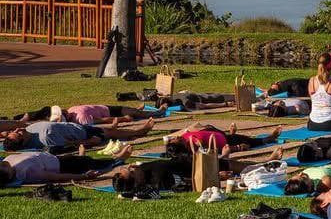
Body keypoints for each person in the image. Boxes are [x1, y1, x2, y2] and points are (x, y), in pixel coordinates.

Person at [1, 119, 155, 153]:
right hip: (82, 133)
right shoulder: (45, 137)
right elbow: (68, 145)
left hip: (75, 127)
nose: (18, 129)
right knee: (109, 133)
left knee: (107, 130)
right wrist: (88, 141)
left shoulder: (28, 129)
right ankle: (138, 132)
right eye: (18, 133)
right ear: (23, 141)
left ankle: (132, 132)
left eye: (15, 131)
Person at [0, 147, 133, 187]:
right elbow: (56, 177)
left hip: (56, 159)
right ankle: (118, 159)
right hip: (63, 166)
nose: (3, 164)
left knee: (83, 159)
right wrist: (83, 176)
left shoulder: (7, 160)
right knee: (91, 163)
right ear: (9, 174)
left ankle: (82, 155)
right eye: (3, 167)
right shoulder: (27, 172)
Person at [163, 122, 282, 158]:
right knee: (247, 141)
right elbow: (209, 151)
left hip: (217, 133)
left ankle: (231, 134)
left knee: (236, 137)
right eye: (175, 140)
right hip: (224, 142)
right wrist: (236, 148)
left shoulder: (183, 137)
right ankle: (268, 139)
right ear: (180, 145)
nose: (176, 137)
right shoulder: (192, 147)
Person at [13, 104, 163, 124]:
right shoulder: (81, 119)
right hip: (109, 110)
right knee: (138, 113)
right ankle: (160, 112)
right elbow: (101, 120)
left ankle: (139, 109)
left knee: (134, 110)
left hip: (103, 107)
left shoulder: (71, 110)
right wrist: (123, 119)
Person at [157, 91, 235, 111]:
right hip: (204, 95)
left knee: (235, 97)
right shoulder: (174, 96)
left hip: (210, 98)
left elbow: (205, 106)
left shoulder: (185, 103)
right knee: (234, 96)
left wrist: (225, 104)